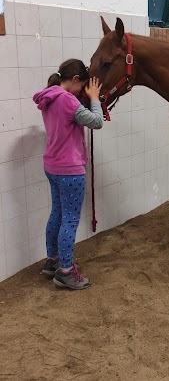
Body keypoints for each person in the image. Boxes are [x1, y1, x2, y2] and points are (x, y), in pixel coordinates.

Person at [33, 59, 103, 290]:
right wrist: (94, 99)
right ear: (74, 80)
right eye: (82, 86)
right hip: (69, 169)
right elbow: (96, 122)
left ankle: (52, 260)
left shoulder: (49, 96)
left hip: (52, 166)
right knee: (70, 219)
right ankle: (65, 272)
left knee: (57, 213)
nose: (83, 90)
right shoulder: (66, 100)